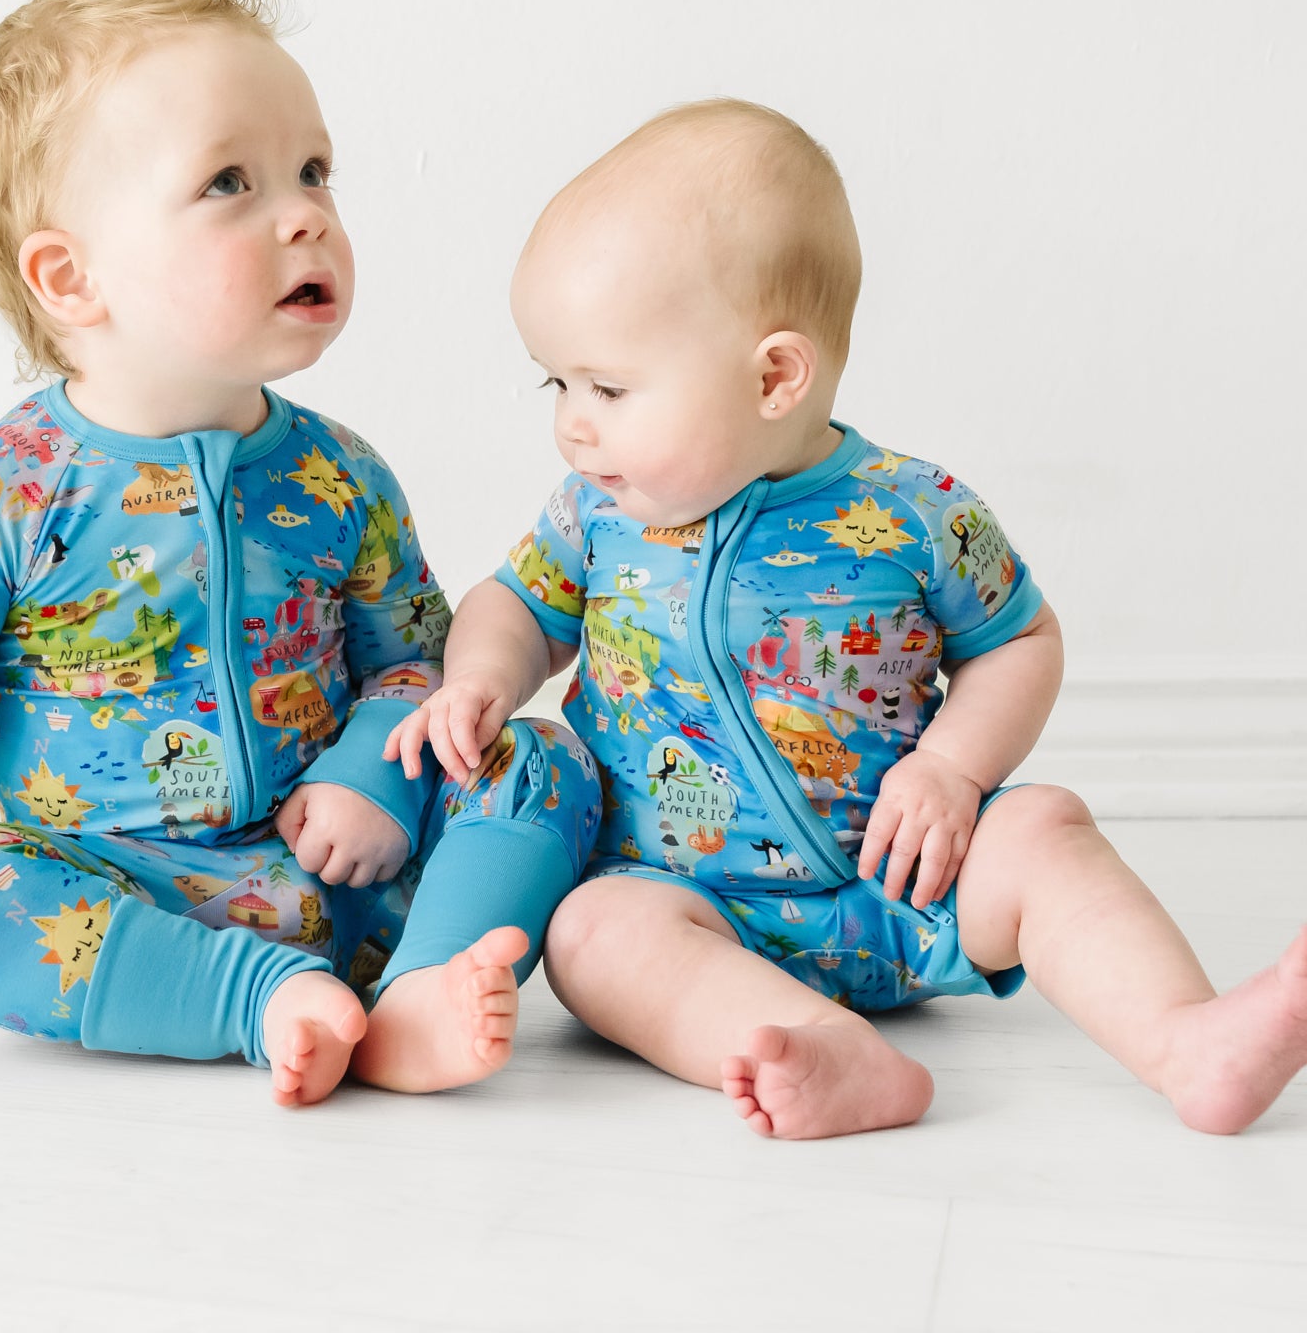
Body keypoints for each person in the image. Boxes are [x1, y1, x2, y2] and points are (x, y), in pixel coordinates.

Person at [0, 0, 599, 1106]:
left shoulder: (340, 476)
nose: (304, 216)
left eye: (314, 171)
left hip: (350, 874)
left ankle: (426, 988)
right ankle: (257, 1002)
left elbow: (416, 671)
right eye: (231, 183)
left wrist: (369, 779)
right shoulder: (1, 500)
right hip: (129, 897)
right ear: (70, 278)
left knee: (539, 759)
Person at [386, 97, 1307, 1138]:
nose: (572, 423)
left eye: (607, 384)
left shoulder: (912, 509)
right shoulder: (594, 514)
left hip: (906, 884)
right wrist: (484, 679)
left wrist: (954, 770)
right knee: (593, 933)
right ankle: (818, 1049)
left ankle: (1185, 1039)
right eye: (557, 382)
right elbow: (516, 605)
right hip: (689, 901)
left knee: (1043, 827)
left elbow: (1019, 641)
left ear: (775, 374)